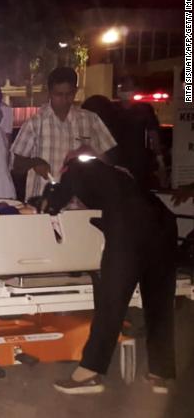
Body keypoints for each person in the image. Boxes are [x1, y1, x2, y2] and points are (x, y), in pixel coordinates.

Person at [43, 149, 177, 395]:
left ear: (66, 165)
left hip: (130, 230)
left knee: (111, 303)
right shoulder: (119, 174)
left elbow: (54, 202)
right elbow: (120, 201)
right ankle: (162, 373)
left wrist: (46, 202)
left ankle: (90, 373)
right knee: (159, 304)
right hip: (165, 224)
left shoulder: (74, 171)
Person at [11, 67, 117, 200]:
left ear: (75, 91)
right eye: (58, 94)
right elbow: (16, 165)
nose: (64, 100)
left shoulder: (91, 120)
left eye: (69, 94)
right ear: (49, 93)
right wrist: (34, 162)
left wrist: (92, 152)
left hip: (81, 204)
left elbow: (111, 162)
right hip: (43, 202)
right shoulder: (35, 123)